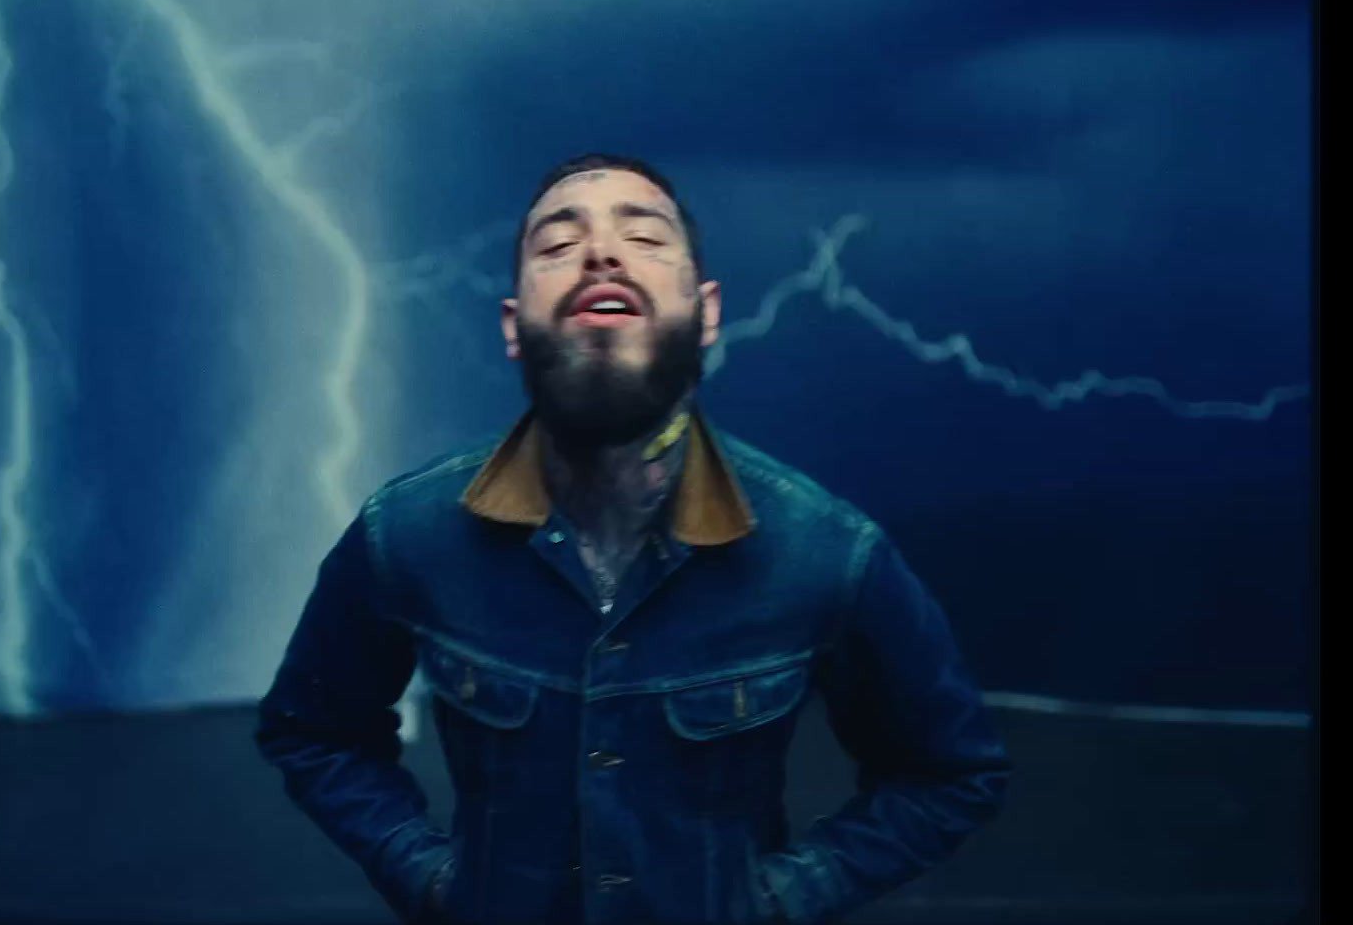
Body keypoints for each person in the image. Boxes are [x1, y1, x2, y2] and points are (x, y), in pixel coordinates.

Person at [255, 153, 1012, 924]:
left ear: (707, 312)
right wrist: (428, 877)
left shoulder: (823, 550)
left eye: (645, 237)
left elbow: (950, 772)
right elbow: (312, 731)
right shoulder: (408, 533)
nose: (600, 253)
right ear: (515, 325)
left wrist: (782, 899)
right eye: (556, 245)